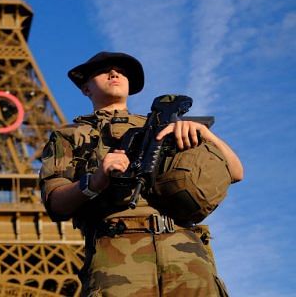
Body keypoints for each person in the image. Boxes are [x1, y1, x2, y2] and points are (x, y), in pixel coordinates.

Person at [39, 51, 243, 296]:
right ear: (85, 88)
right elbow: (56, 202)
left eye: (121, 71)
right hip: (117, 257)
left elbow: (236, 172)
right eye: (104, 70)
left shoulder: (165, 126)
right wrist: (95, 180)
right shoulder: (69, 135)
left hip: (186, 255)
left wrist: (204, 134)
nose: (115, 73)